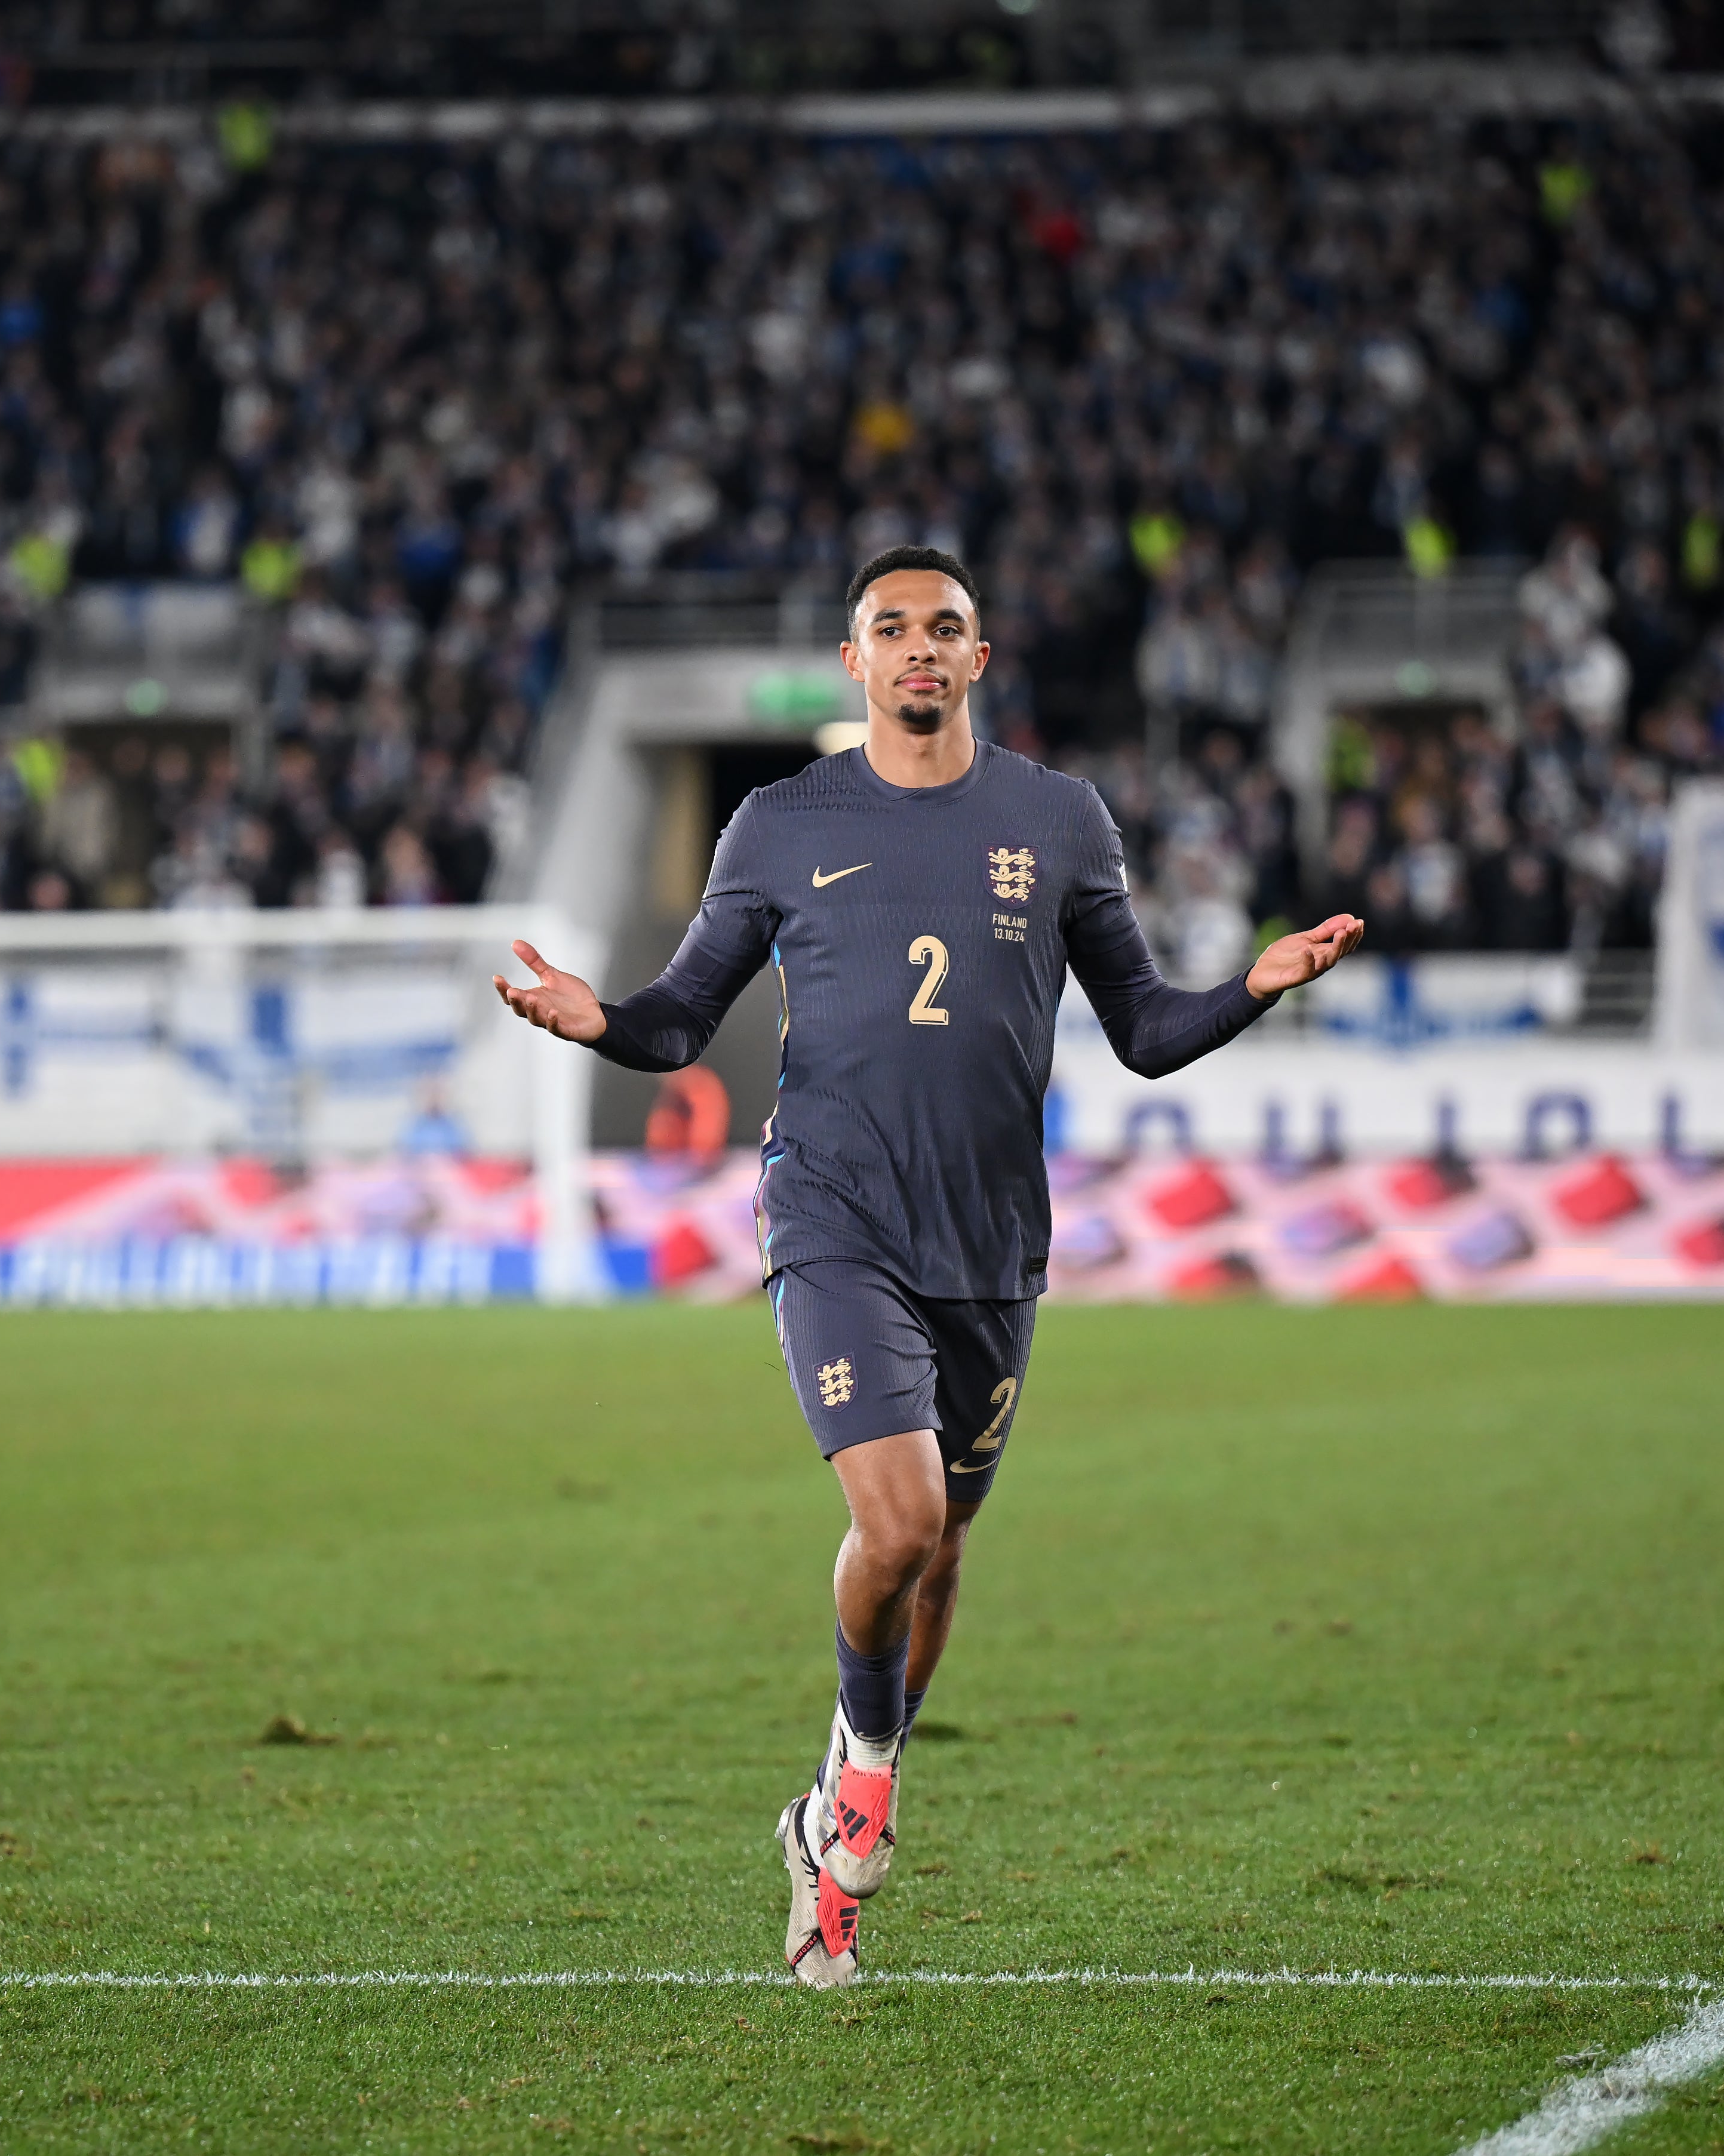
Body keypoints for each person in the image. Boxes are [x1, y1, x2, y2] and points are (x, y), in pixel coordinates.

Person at [494, 546, 1363, 1987]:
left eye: (940, 627)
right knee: (893, 1524)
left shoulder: (1057, 816)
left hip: (987, 1238)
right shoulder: (777, 822)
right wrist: (599, 1020)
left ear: (977, 654)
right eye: (887, 627)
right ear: (852, 659)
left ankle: (826, 1813)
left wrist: (1249, 991)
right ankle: (866, 1789)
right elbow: (675, 1020)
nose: (915, 647)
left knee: (942, 1548)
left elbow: (1141, 1027)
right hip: (831, 1216)